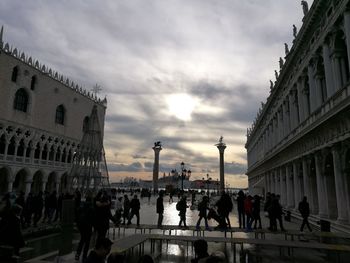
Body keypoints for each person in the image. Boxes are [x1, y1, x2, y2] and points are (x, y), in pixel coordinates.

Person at [75, 195, 95, 262]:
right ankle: (84, 256)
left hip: (81, 226)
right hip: (88, 227)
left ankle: (77, 254)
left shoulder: (81, 206)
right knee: (87, 242)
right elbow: (92, 219)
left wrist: (78, 225)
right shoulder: (91, 208)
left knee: (82, 239)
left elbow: (77, 216)